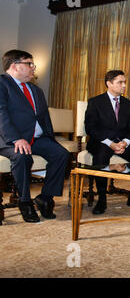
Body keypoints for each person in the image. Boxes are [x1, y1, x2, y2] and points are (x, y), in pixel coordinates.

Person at [0, 49, 69, 223]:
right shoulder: (2, 84)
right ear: (14, 66)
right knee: (22, 156)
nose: (33, 68)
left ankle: (45, 198)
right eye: (29, 64)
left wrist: (50, 138)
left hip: (36, 138)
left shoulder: (35, 90)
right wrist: (16, 138)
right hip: (9, 139)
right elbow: (1, 114)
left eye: (33, 64)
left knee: (61, 154)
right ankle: (25, 201)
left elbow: (43, 117)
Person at [85, 70, 130, 215]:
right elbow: (90, 127)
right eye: (120, 82)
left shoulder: (128, 104)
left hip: (123, 143)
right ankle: (101, 198)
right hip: (102, 142)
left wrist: (125, 143)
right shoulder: (95, 102)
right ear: (109, 84)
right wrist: (110, 143)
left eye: (124, 82)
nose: (124, 85)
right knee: (100, 156)